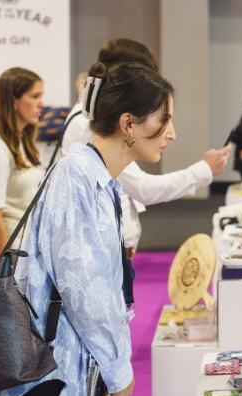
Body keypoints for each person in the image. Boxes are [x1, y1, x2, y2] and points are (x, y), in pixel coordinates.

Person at [0, 61, 175, 396]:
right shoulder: (77, 175)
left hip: (73, 373)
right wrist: (119, 370)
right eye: (163, 119)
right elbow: (83, 287)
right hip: (47, 382)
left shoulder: (96, 176)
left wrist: (111, 367)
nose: (171, 133)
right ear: (128, 125)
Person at [63, 38, 231, 264]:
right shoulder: (88, 133)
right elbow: (143, 188)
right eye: (163, 118)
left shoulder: (91, 135)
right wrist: (203, 171)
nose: (171, 134)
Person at [0, 67, 45, 263]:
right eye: (35, 96)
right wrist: (3, 268)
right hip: (10, 256)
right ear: (13, 101)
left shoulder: (17, 141)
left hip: (24, 253)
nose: (41, 104)